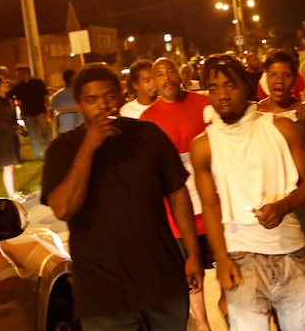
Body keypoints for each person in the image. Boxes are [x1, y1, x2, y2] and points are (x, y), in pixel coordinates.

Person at [42, 63, 203, 330]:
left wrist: (193, 255)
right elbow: (64, 209)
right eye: (92, 100)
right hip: (104, 295)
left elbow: (178, 193)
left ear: (121, 94)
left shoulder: (148, 135)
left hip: (161, 283)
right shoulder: (63, 149)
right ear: (80, 105)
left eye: (109, 96)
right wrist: (89, 148)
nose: (103, 106)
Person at [191, 54, 305, 330]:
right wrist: (222, 260)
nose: (222, 95)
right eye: (213, 88)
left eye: (230, 85)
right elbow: (210, 207)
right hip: (239, 255)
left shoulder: (281, 128)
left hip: (289, 250)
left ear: (247, 87)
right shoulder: (203, 146)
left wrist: (283, 207)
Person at [257, 49, 305, 331]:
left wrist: (288, 138)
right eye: (273, 75)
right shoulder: (254, 112)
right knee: (280, 278)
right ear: (265, 78)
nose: (279, 81)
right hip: (274, 202)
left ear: (295, 80)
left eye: (286, 75)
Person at [141, 57, 213, 331]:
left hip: (212, 206)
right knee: (191, 276)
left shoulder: (203, 104)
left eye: (171, 70)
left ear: (180, 73)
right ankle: (204, 324)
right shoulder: (149, 120)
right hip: (178, 215)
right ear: (154, 82)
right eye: (160, 74)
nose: (167, 77)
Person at [0, 77, 26, 202]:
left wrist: (17, 125)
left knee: (12, 165)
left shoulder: (5, 100)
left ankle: (14, 192)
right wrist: (13, 129)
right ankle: (11, 195)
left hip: (9, 136)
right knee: (7, 166)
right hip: (2, 137)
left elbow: (9, 117)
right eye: (4, 83)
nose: (7, 84)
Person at [9, 63, 51, 159]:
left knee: (45, 132)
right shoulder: (18, 86)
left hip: (40, 111)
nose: (19, 74)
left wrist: (48, 108)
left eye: (20, 72)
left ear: (26, 72)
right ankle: (38, 154)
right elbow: (19, 101)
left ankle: (48, 150)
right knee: (33, 135)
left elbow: (45, 96)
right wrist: (21, 112)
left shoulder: (37, 82)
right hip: (28, 113)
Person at [50, 69, 85, 134]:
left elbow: (54, 119)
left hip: (66, 131)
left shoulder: (56, 97)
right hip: (83, 131)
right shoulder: (83, 93)